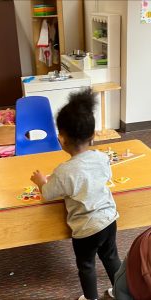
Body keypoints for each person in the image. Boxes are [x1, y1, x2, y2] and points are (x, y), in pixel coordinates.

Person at [30, 88, 121, 300]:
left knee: (86, 265)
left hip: (85, 229)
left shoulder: (64, 171)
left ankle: (90, 299)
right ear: (92, 136)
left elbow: (48, 194)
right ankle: (120, 291)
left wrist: (41, 181)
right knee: (111, 257)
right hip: (109, 220)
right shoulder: (101, 157)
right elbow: (105, 175)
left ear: (61, 138)